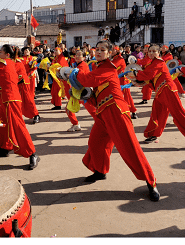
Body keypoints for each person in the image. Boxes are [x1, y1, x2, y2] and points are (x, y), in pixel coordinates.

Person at [65, 39, 160, 201]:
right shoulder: (98, 67)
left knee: (130, 148)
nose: (99, 52)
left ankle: (151, 182)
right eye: (97, 49)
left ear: (109, 53)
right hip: (104, 112)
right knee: (96, 143)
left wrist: (70, 72)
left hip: (116, 111)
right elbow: (95, 92)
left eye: (103, 50)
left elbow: (88, 80)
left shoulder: (109, 67)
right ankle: (100, 171)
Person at [136, 44, 185, 148]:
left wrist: (136, 74)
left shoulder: (159, 62)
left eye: (154, 51)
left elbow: (148, 75)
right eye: (150, 51)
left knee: (178, 113)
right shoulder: (151, 63)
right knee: (156, 114)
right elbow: (149, 79)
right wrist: (137, 79)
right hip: (159, 91)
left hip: (168, 90)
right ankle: (153, 134)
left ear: (158, 53)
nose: (151, 53)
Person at [0, 44, 39, 168]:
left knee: (18, 126)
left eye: (0, 52)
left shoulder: (6, 63)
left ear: (7, 55)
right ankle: (4, 148)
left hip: (12, 99)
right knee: (2, 125)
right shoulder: (8, 63)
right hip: (6, 98)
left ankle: (33, 153)